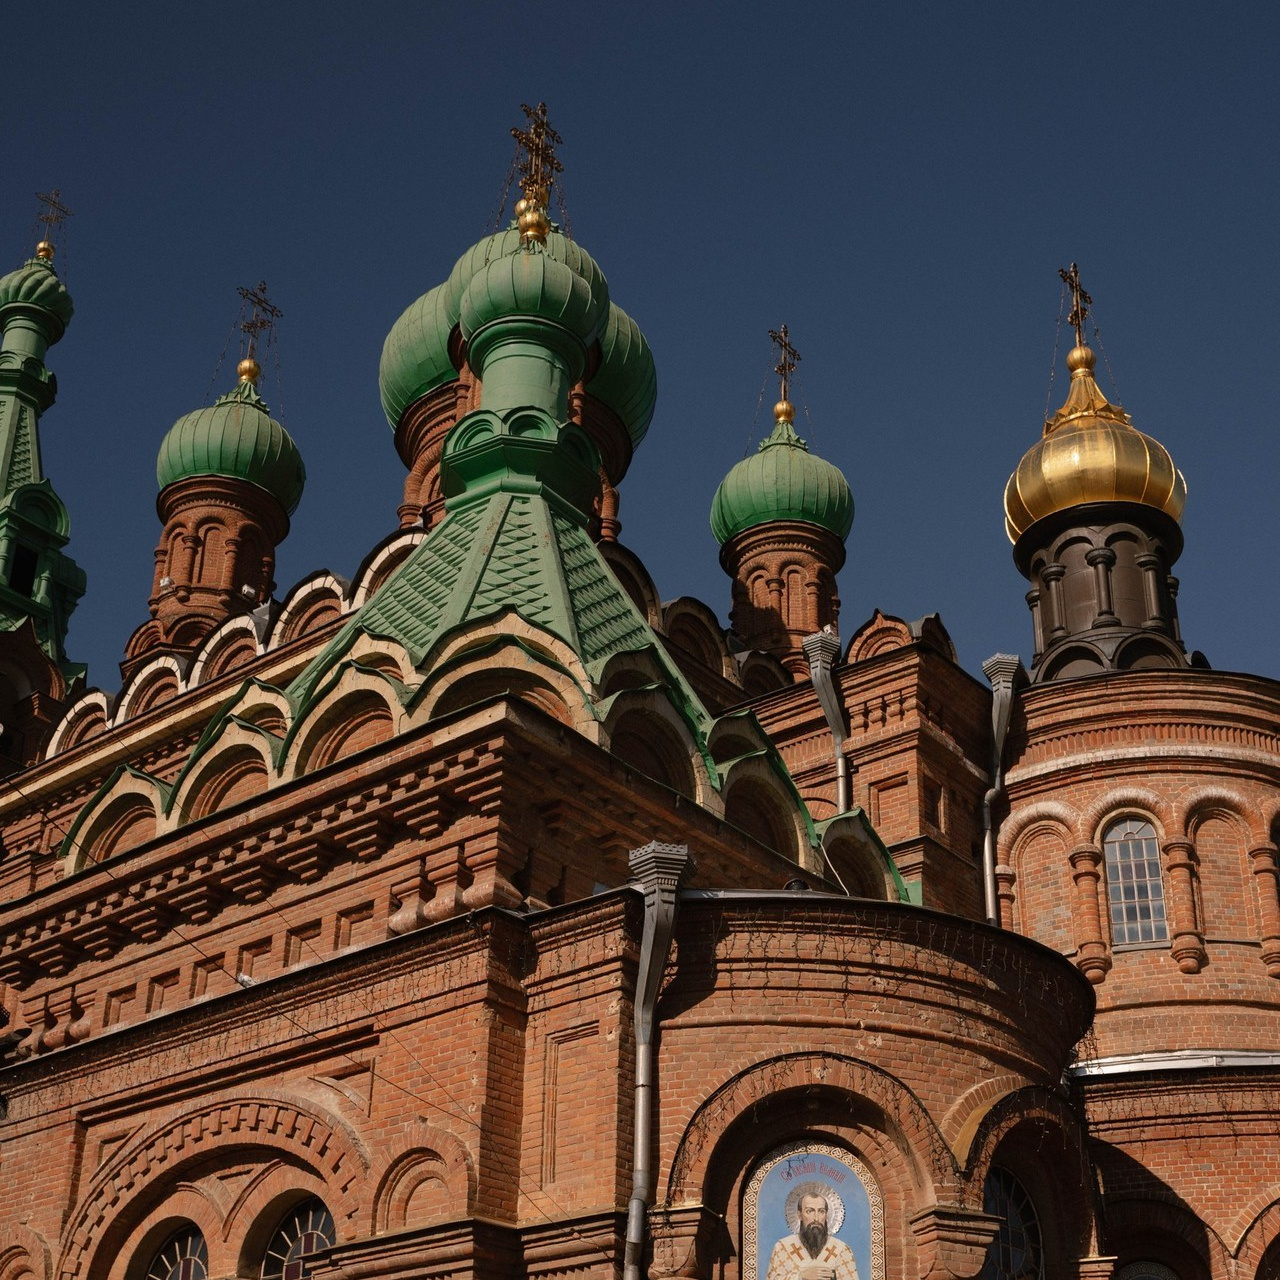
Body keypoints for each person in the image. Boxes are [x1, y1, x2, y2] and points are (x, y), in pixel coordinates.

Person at [764, 1192, 860, 1280]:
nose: (816, 1218)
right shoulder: (782, 1247)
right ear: (800, 1215)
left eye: (821, 1211)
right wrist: (801, 1277)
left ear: (826, 1215)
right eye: (810, 1211)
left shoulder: (842, 1250)